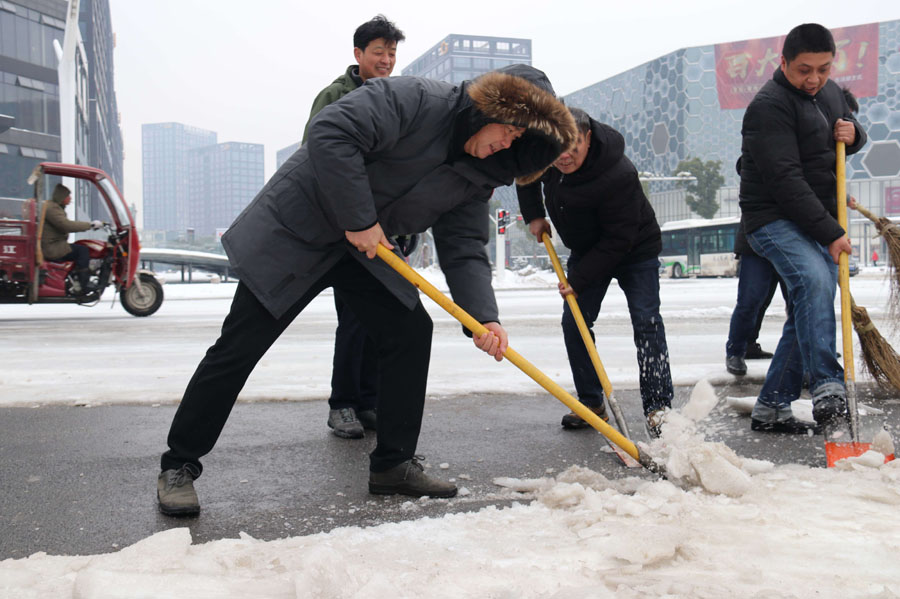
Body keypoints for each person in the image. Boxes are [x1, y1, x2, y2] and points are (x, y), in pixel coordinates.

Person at [156, 64, 577, 515]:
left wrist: (483, 316)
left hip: (366, 248)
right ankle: (179, 465)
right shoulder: (416, 100)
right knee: (240, 346)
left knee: (409, 331)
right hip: (299, 231)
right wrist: (358, 218)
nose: (509, 143)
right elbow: (330, 132)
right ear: (489, 109)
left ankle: (393, 465)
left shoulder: (480, 171)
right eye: (509, 129)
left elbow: (463, 245)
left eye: (520, 138)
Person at [739, 23, 866, 434]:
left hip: (814, 215)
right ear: (784, 62)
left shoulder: (830, 94)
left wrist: (855, 134)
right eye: (804, 70)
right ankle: (827, 387)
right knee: (813, 280)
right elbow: (786, 181)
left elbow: (845, 133)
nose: (814, 79)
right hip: (771, 217)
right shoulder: (767, 107)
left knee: (810, 305)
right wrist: (830, 232)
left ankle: (772, 407)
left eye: (823, 69)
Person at [516, 107, 673, 439]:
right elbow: (524, 173)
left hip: (634, 249)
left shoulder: (618, 173)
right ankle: (591, 402)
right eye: (558, 148)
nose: (565, 156)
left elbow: (619, 240)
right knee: (574, 323)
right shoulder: (547, 153)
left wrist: (577, 280)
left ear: (588, 138)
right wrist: (534, 214)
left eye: (573, 145)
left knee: (647, 322)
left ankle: (658, 407)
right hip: (586, 249)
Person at [301, 15, 406, 440]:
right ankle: (342, 404)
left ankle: (368, 401)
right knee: (354, 318)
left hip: (386, 226)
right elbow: (317, 156)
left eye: (392, 53)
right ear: (358, 54)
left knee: (382, 318)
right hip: (347, 227)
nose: (386, 60)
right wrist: (349, 217)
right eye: (379, 52)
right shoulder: (335, 96)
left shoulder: (396, 97)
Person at [41, 184, 103, 296]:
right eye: (68, 196)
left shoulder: (55, 208)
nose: (70, 198)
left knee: (80, 248)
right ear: (61, 197)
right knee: (82, 250)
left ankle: (77, 278)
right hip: (52, 247)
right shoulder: (52, 209)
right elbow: (66, 225)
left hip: (55, 245)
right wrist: (90, 225)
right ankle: (83, 284)